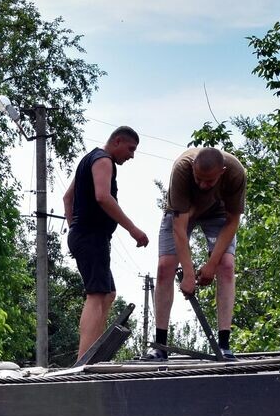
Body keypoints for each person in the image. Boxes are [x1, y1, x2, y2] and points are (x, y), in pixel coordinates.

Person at [145, 146, 247, 361]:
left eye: (209, 181)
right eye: (198, 178)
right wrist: (189, 274)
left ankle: (224, 345)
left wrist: (211, 264)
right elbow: (179, 228)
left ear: (222, 172)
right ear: (193, 168)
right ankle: (160, 346)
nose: (202, 185)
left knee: (226, 266)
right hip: (184, 212)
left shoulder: (236, 173)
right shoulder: (182, 169)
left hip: (219, 214)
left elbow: (232, 221)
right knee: (165, 267)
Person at [62, 126, 149, 361]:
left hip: (86, 236)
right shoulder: (103, 160)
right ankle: (84, 361)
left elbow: (67, 197)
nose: (131, 156)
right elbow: (103, 197)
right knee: (97, 294)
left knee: (108, 293)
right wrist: (133, 229)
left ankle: (94, 354)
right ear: (117, 141)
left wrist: (74, 229)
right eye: (130, 149)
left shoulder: (88, 159)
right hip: (91, 236)